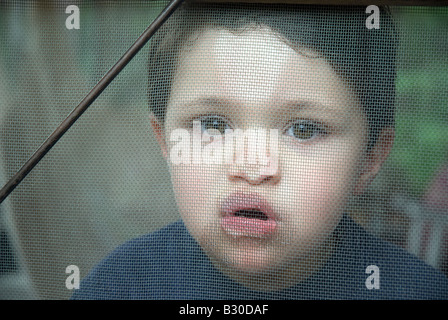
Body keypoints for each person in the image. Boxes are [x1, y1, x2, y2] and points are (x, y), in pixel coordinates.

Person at [71, 2, 448, 299]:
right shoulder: (119, 288)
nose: (252, 167)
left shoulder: (418, 293)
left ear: (369, 159)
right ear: (166, 141)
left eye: (303, 130)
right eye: (213, 125)